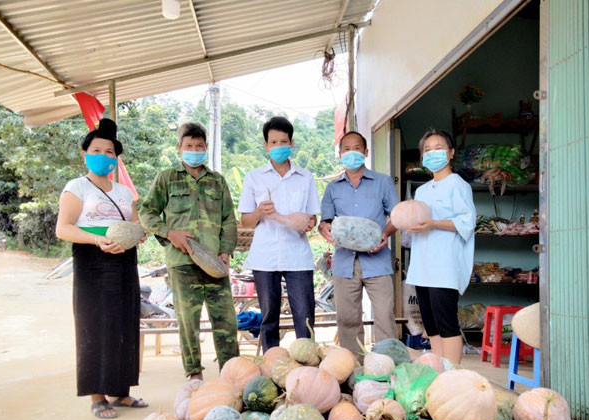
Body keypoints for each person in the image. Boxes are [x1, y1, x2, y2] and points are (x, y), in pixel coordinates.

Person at [55, 118, 148, 419]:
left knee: (124, 322)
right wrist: (98, 240)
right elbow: (63, 228)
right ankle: (97, 395)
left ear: (116, 158)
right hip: (92, 261)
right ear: (85, 154)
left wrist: (138, 235)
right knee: (94, 324)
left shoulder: (124, 193)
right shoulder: (76, 187)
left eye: (110, 152)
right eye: (97, 150)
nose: (104, 156)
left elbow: (134, 225)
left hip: (123, 260)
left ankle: (121, 391)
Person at [139, 122, 239, 380]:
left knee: (226, 323)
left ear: (206, 148)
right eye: (189, 146)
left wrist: (226, 250)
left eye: (199, 146)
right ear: (179, 148)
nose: (194, 150)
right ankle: (194, 376)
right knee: (188, 323)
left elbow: (229, 218)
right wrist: (169, 233)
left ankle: (232, 376)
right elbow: (147, 212)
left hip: (215, 263)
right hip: (182, 263)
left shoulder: (217, 181)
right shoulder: (167, 178)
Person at [239, 117, 320, 350]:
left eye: (283, 141)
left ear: (291, 143)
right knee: (268, 317)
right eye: (273, 142)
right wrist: (260, 212)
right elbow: (246, 220)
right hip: (265, 257)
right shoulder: (254, 177)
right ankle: (272, 365)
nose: (278, 146)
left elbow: (312, 218)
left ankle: (306, 366)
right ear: (266, 145)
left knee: (305, 316)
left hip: (298, 257)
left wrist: (307, 223)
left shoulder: (305, 177)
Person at [319, 131, 398, 357]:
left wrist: (386, 233)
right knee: (348, 319)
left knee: (384, 315)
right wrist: (324, 229)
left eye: (356, 148)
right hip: (344, 262)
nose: (351, 152)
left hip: (378, 260)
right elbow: (324, 223)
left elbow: (396, 217)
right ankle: (354, 369)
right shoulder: (333, 188)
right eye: (346, 149)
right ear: (340, 154)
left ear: (365, 152)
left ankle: (388, 367)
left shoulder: (382, 182)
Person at [406, 130, 476, 365]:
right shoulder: (422, 190)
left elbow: (467, 221)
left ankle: (452, 375)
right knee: (431, 325)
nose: (432, 153)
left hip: (445, 267)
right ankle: (439, 371)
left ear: (451, 152)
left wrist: (434, 223)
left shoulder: (457, 184)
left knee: (447, 323)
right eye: (427, 149)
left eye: (438, 147)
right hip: (423, 266)